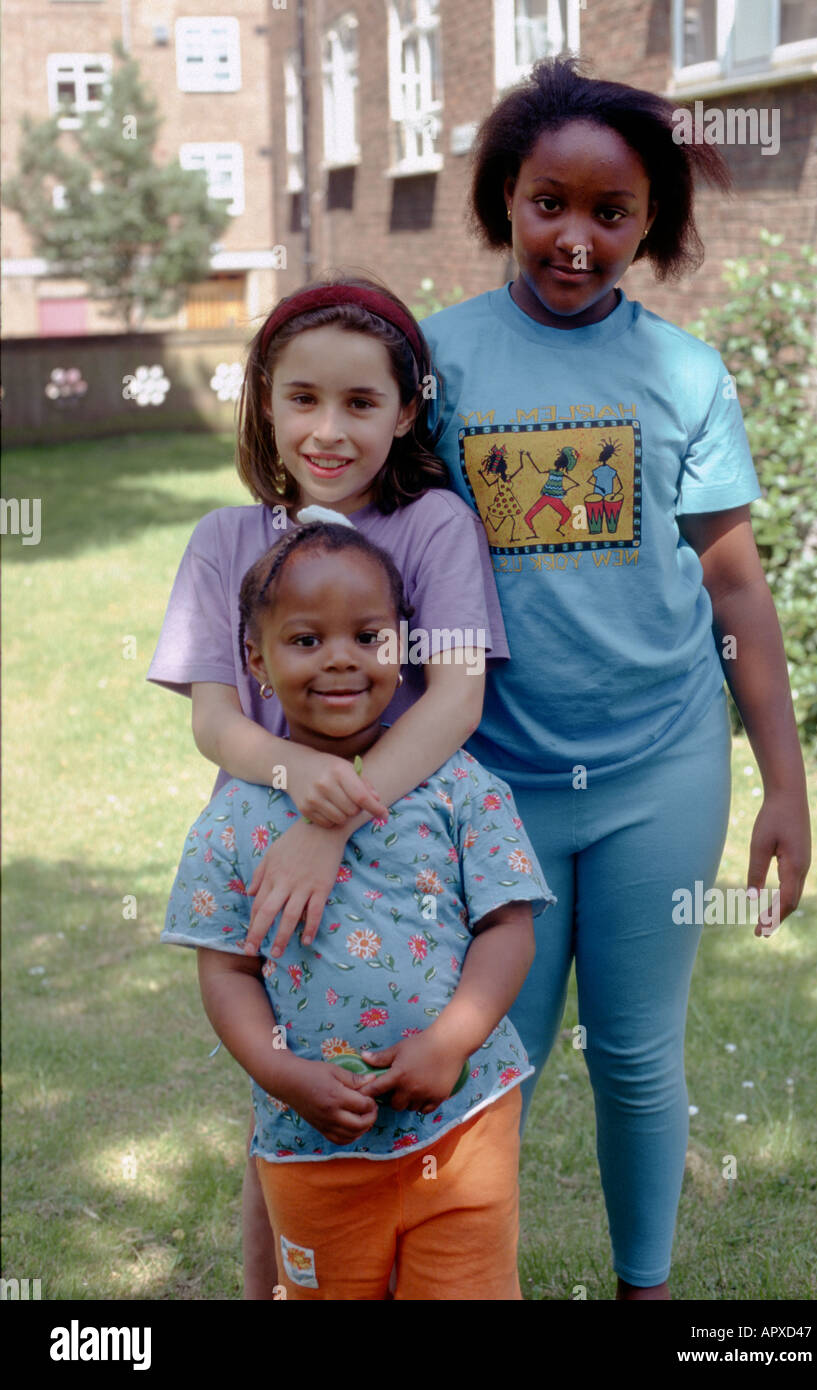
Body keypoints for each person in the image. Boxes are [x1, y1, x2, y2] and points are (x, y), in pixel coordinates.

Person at [419, 56, 811, 1300]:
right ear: (504, 201)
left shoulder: (685, 375)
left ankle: (647, 1293)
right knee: (496, 1059)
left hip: (661, 767)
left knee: (640, 1058)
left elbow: (735, 590)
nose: (575, 239)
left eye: (611, 212)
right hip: (490, 782)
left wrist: (784, 787)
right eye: (548, 203)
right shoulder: (438, 365)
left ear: (652, 222)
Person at [147, 278, 510, 1297]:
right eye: (302, 398)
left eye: (361, 403)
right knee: (286, 1120)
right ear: (264, 399)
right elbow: (215, 719)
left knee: (414, 1114)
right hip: (271, 871)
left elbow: (455, 699)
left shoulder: (433, 525)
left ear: (405, 411)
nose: (329, 430)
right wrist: (295, 776)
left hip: (400, 863)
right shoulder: (224, 541)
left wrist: (337, 821)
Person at [161, 520, 554, 1300]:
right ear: (256, 661)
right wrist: (282, 1074)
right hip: (311, 1147)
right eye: (306, 640)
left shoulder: (458, 786)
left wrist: (450, 1043)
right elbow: (228, 971)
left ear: (403, 644)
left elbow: (508, 929)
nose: (341, 657)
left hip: (463, 1124)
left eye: (368, 635)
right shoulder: (232, 823)